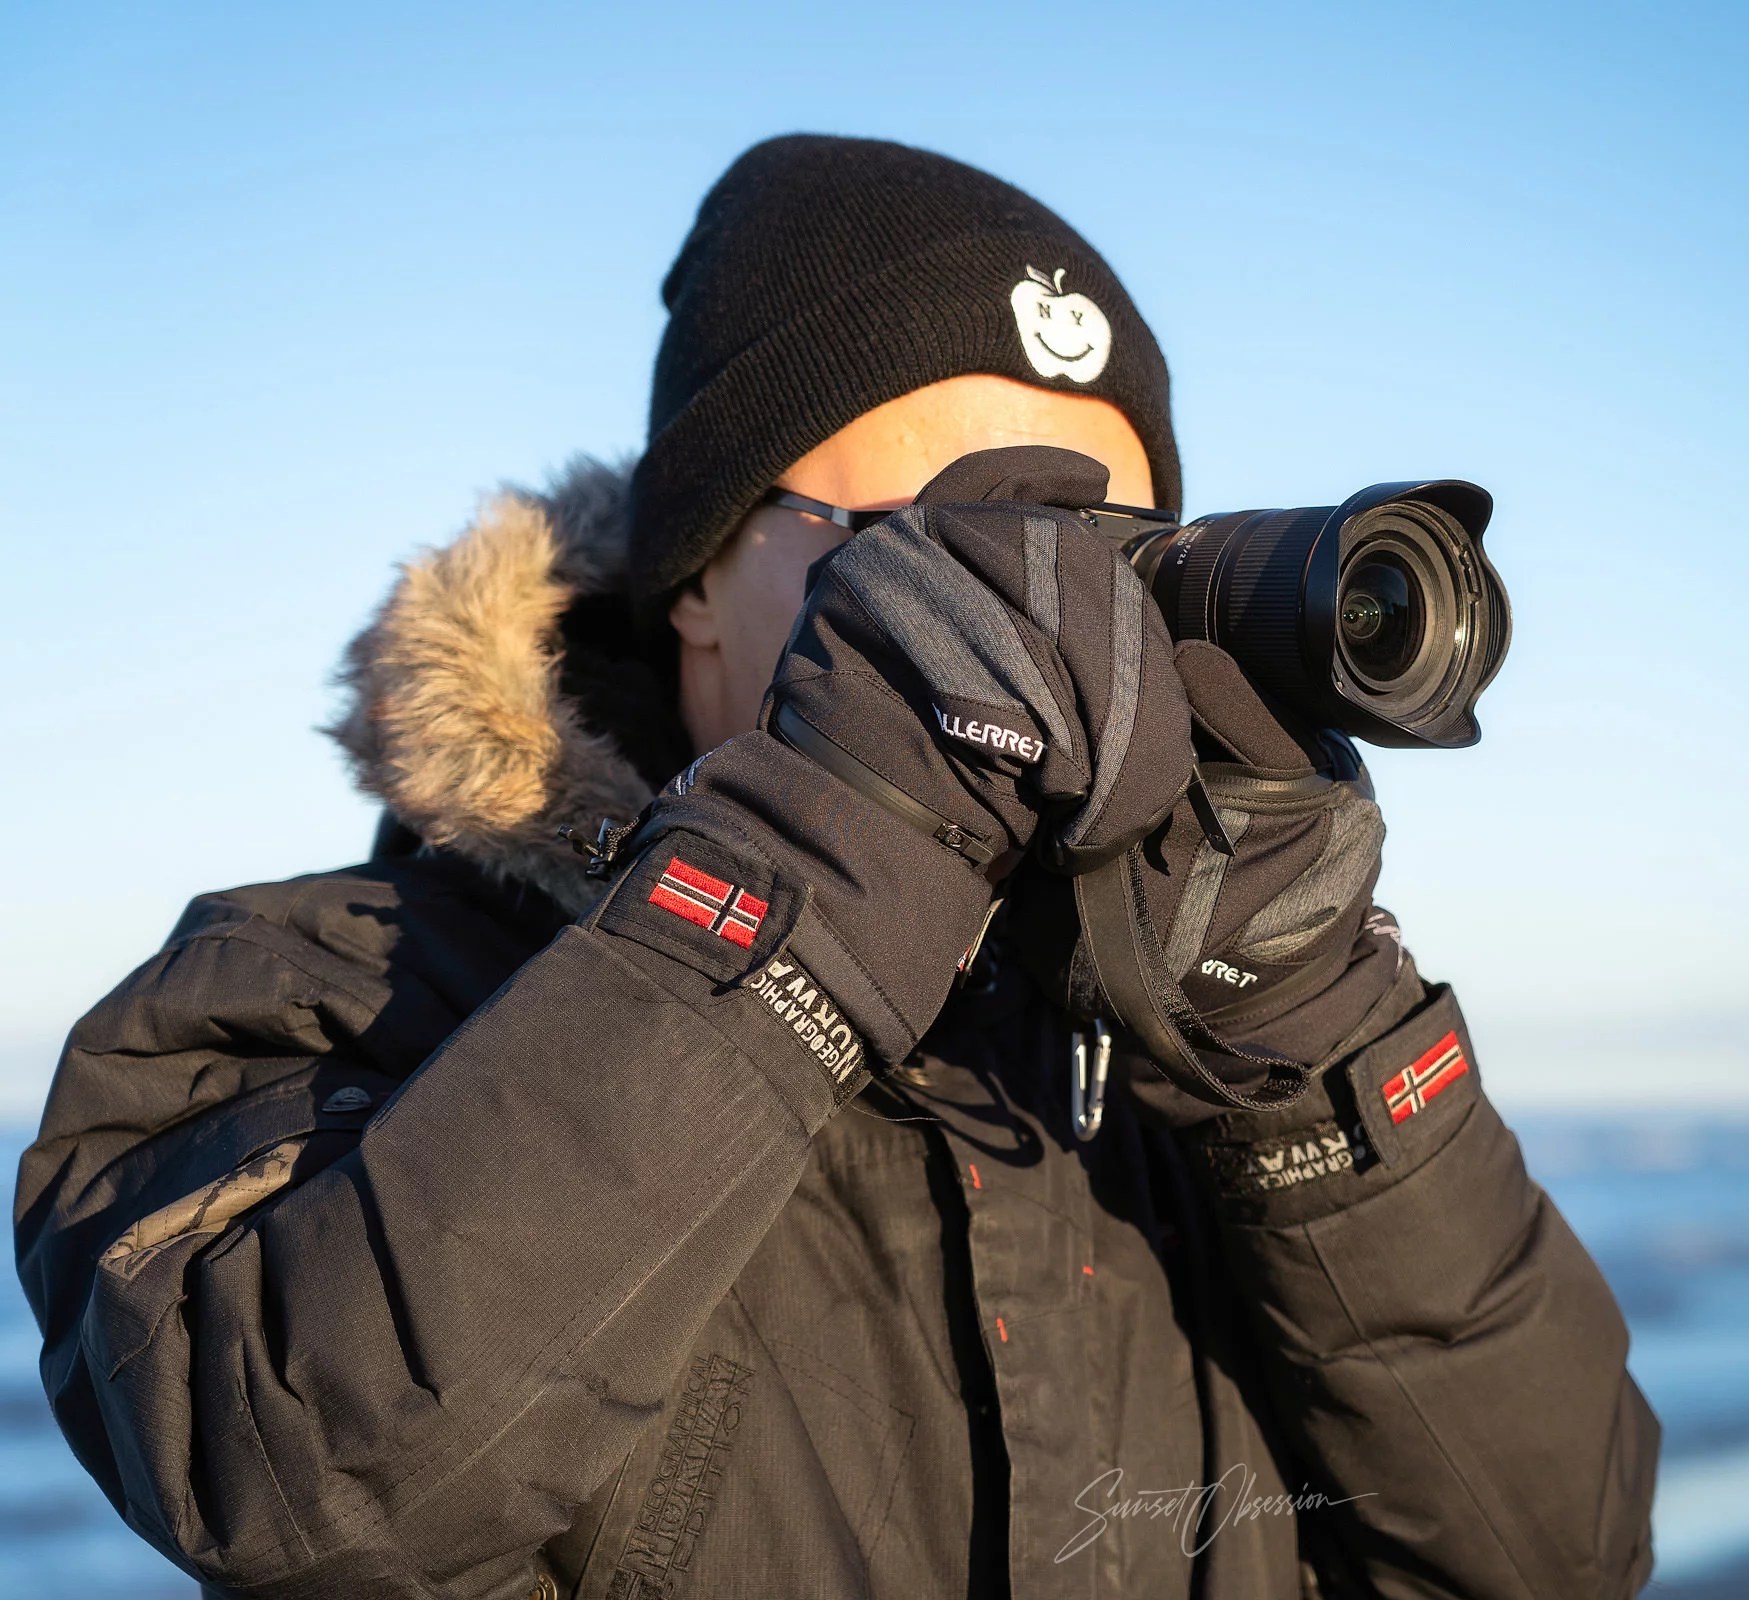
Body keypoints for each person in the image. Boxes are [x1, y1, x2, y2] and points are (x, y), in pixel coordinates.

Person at [14, 134, 1659, 1599]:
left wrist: (1310, 1044)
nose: (1047, 642)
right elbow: (303, 1481)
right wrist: (830, 851)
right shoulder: (309, 995)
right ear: (694, 581)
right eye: (951, 555)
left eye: (1111, 569)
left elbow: (1562, 1556)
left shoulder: (1183, 1069)